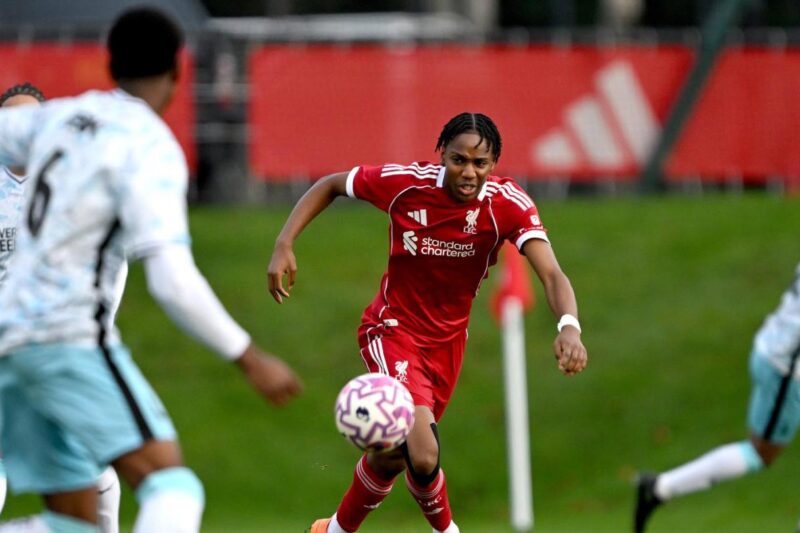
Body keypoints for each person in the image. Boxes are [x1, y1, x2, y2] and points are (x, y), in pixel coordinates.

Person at [0, 8, 301, 533]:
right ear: (179, 72)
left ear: (110, 63)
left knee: (78, 520)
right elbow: (171, 279)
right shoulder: (149, 146)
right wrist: (249, 357)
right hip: (67, 338)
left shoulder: (58, 117)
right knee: (172, 489)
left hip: (11, 341)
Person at [268, 112, 588, 533]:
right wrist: (283, 243)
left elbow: (552, 273)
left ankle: (333, 531)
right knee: (422, 454)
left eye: (480, 163)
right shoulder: (407, 185)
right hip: (392, 330)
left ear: (494, 164)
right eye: (458, 160)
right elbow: (331, 184)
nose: (468, 172)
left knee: (393, 456)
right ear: (442, 155)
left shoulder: (507, 205)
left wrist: (569, 326)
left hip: (448, 346)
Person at [0, 83, 123, 533]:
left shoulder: (71, 182)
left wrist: (98, 326)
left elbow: (114, 258)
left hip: (59, 344)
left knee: (90, 460)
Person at [634, 261, 800, 532]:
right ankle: (661, 487)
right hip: (785, 367)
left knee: (760, 453)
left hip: (771, 348)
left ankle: (660, 487)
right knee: (761, 453)